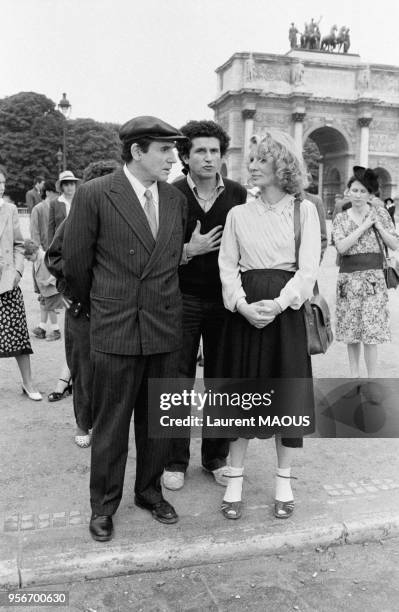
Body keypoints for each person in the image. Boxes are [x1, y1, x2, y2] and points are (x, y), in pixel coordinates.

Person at [63, 116, 188, 542]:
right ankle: (104, 506)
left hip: (163, 326)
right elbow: (76, 264)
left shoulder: (174, 199)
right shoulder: (96, 194)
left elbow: (171, 260)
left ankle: (149, 492)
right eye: (164, 150)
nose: (174, 158)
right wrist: (96, 310)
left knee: (159, 420)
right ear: (137, 152)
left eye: (174, 150)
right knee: (112, 425)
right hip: (116, 327)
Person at [217, 130, 321, 520]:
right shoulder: (237, 213)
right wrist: (242, 305)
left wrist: (277, 304)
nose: (254, 165)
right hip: (244, 313)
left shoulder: (304, 210)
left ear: (283, 165)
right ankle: (235, 480)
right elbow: (227, 265)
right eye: (253, 160)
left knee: (284, 398)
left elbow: (308, 269)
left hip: (285, 313)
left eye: (263, 159)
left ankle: (283, 481)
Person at [162, 120, 247, 491]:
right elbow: (155, 252)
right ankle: (173, 460)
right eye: (200, 150)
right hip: (181, 299)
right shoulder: (170, 194)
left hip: (226, 302)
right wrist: (188, 251)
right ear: (186, 155)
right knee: (177, 380)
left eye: (214, 151)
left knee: (221, 380)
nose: (209, 157)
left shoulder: (240, 195)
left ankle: (216, 457)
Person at [332, 167, 399, 378]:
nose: (358, 195)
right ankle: (354, 377)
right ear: (348, 192)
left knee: (371, 332)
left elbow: (394, 244)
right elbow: (341, 247)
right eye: (354, 190)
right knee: (351, 332)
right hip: (348, 280)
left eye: (362, 191)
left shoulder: (381, 213)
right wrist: (363, 227)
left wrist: (378, 226)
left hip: (374, 281)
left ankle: (371, 380)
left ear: (370, 194)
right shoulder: (341, 218)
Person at [0, 166, 42, 401]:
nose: (2, 187)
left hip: (7, 281)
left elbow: (18, 244)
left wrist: (17, 270)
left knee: (17, 335)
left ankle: (28, 383)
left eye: (3, 183)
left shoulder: (10, 210)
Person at [23, 239, 63, 342]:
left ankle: (56, 331)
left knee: (51, 309)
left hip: (51, 290)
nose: (28, 260)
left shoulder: (45, 257)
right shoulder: (36, 259)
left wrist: (49, 281)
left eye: (28, 258)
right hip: (44, 291)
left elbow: (57, 272)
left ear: (34, 252)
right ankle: (42, 328)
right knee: (43, 307)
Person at [48, 170, 79, 244]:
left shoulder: (81, 200)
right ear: (62, 187)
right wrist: (50, 247)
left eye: (72, 184)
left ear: (75, 185)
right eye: (66, 185)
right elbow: (51, 227)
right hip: (60, 243)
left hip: (78, 242)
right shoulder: (54, 203)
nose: (69, 187)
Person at [30, 180, 57, 252]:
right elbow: (34, 233)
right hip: (42, 252)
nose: (58, 196)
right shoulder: (37, 209)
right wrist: (39, 251)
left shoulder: (58, 208)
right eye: (56, 193)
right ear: (48, 193)